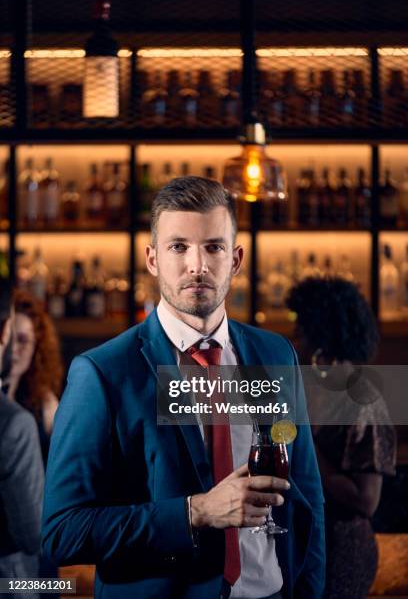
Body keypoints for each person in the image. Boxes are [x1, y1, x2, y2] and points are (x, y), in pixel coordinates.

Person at [42, 177, 325, 599]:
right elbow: (61, 533)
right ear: (153, 259)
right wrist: (196, 512)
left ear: (236, 259)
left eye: (213, 246)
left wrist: (307, 591)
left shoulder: (275, 355)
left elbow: (307, 497)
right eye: (179, 247)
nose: (198, 265)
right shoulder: (102, 374)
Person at [286, 276, 396, 599]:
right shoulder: (308, 389)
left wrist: (306, 450)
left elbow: (366, 500)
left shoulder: (362, 399)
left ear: (320, 338)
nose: (293, 340)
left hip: (341, 552)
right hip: (308, 542)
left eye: (300, 331)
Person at [0, 277, 44, 597]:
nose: (15, 350)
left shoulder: (48, 409)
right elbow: (35, 534)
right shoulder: (15, 424)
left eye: (24, 341)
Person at [4, 289, 63, 464]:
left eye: (22, 340)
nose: (13, 348)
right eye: (8, 338)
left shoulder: (46, 404)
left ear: (37, 347)